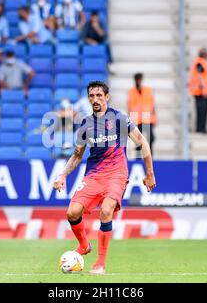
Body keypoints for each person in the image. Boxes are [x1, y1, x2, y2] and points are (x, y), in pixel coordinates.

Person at [53, 81, 156, 275]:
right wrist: (63, 175)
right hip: (94, 174)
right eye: (92, 96)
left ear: (107, 97)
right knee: (72, 213)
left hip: (117, 173)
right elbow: (77, 155)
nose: (95, 100)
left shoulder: (120, 119)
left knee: (106, 210)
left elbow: (142, 142)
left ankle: (100, 263)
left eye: (99, 95)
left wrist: (149, 174)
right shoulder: (85, 125)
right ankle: (84, 245)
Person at [127, 73, 156, 157]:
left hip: (147, 118)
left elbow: (152, 105)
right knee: (138, 141)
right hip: (136, 119)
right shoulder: (131, 92)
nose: (138, 82)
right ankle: (139, 157)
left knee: (151, 138)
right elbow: (129, 106)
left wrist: (154, 119)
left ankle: (150, 155)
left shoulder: (148, 90)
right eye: (137, 80)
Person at [189, 47, 207, 134]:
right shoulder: (200, 63)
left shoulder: (200, 63)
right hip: (201, 92)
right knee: (202, 111)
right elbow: (200, 77)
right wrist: (204, 91)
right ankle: (201, 128)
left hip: (200, 92)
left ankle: (201, 128)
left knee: (201, 111)